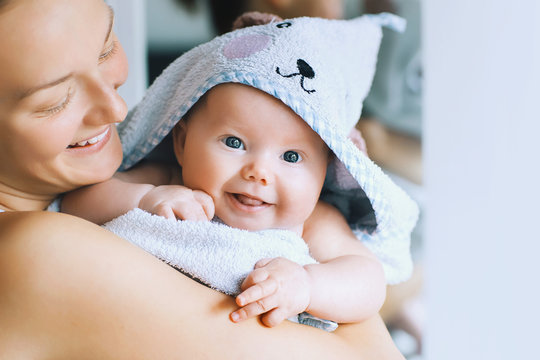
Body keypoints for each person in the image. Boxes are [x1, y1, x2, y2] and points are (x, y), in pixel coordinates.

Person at [0, 0, 406, 358]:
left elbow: (366, 280)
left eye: (106, 48)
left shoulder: (312, 220)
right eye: (54, 101)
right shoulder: (36, 253)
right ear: (181, 141)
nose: (117, 108)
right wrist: (147, 198)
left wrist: (308, 284)